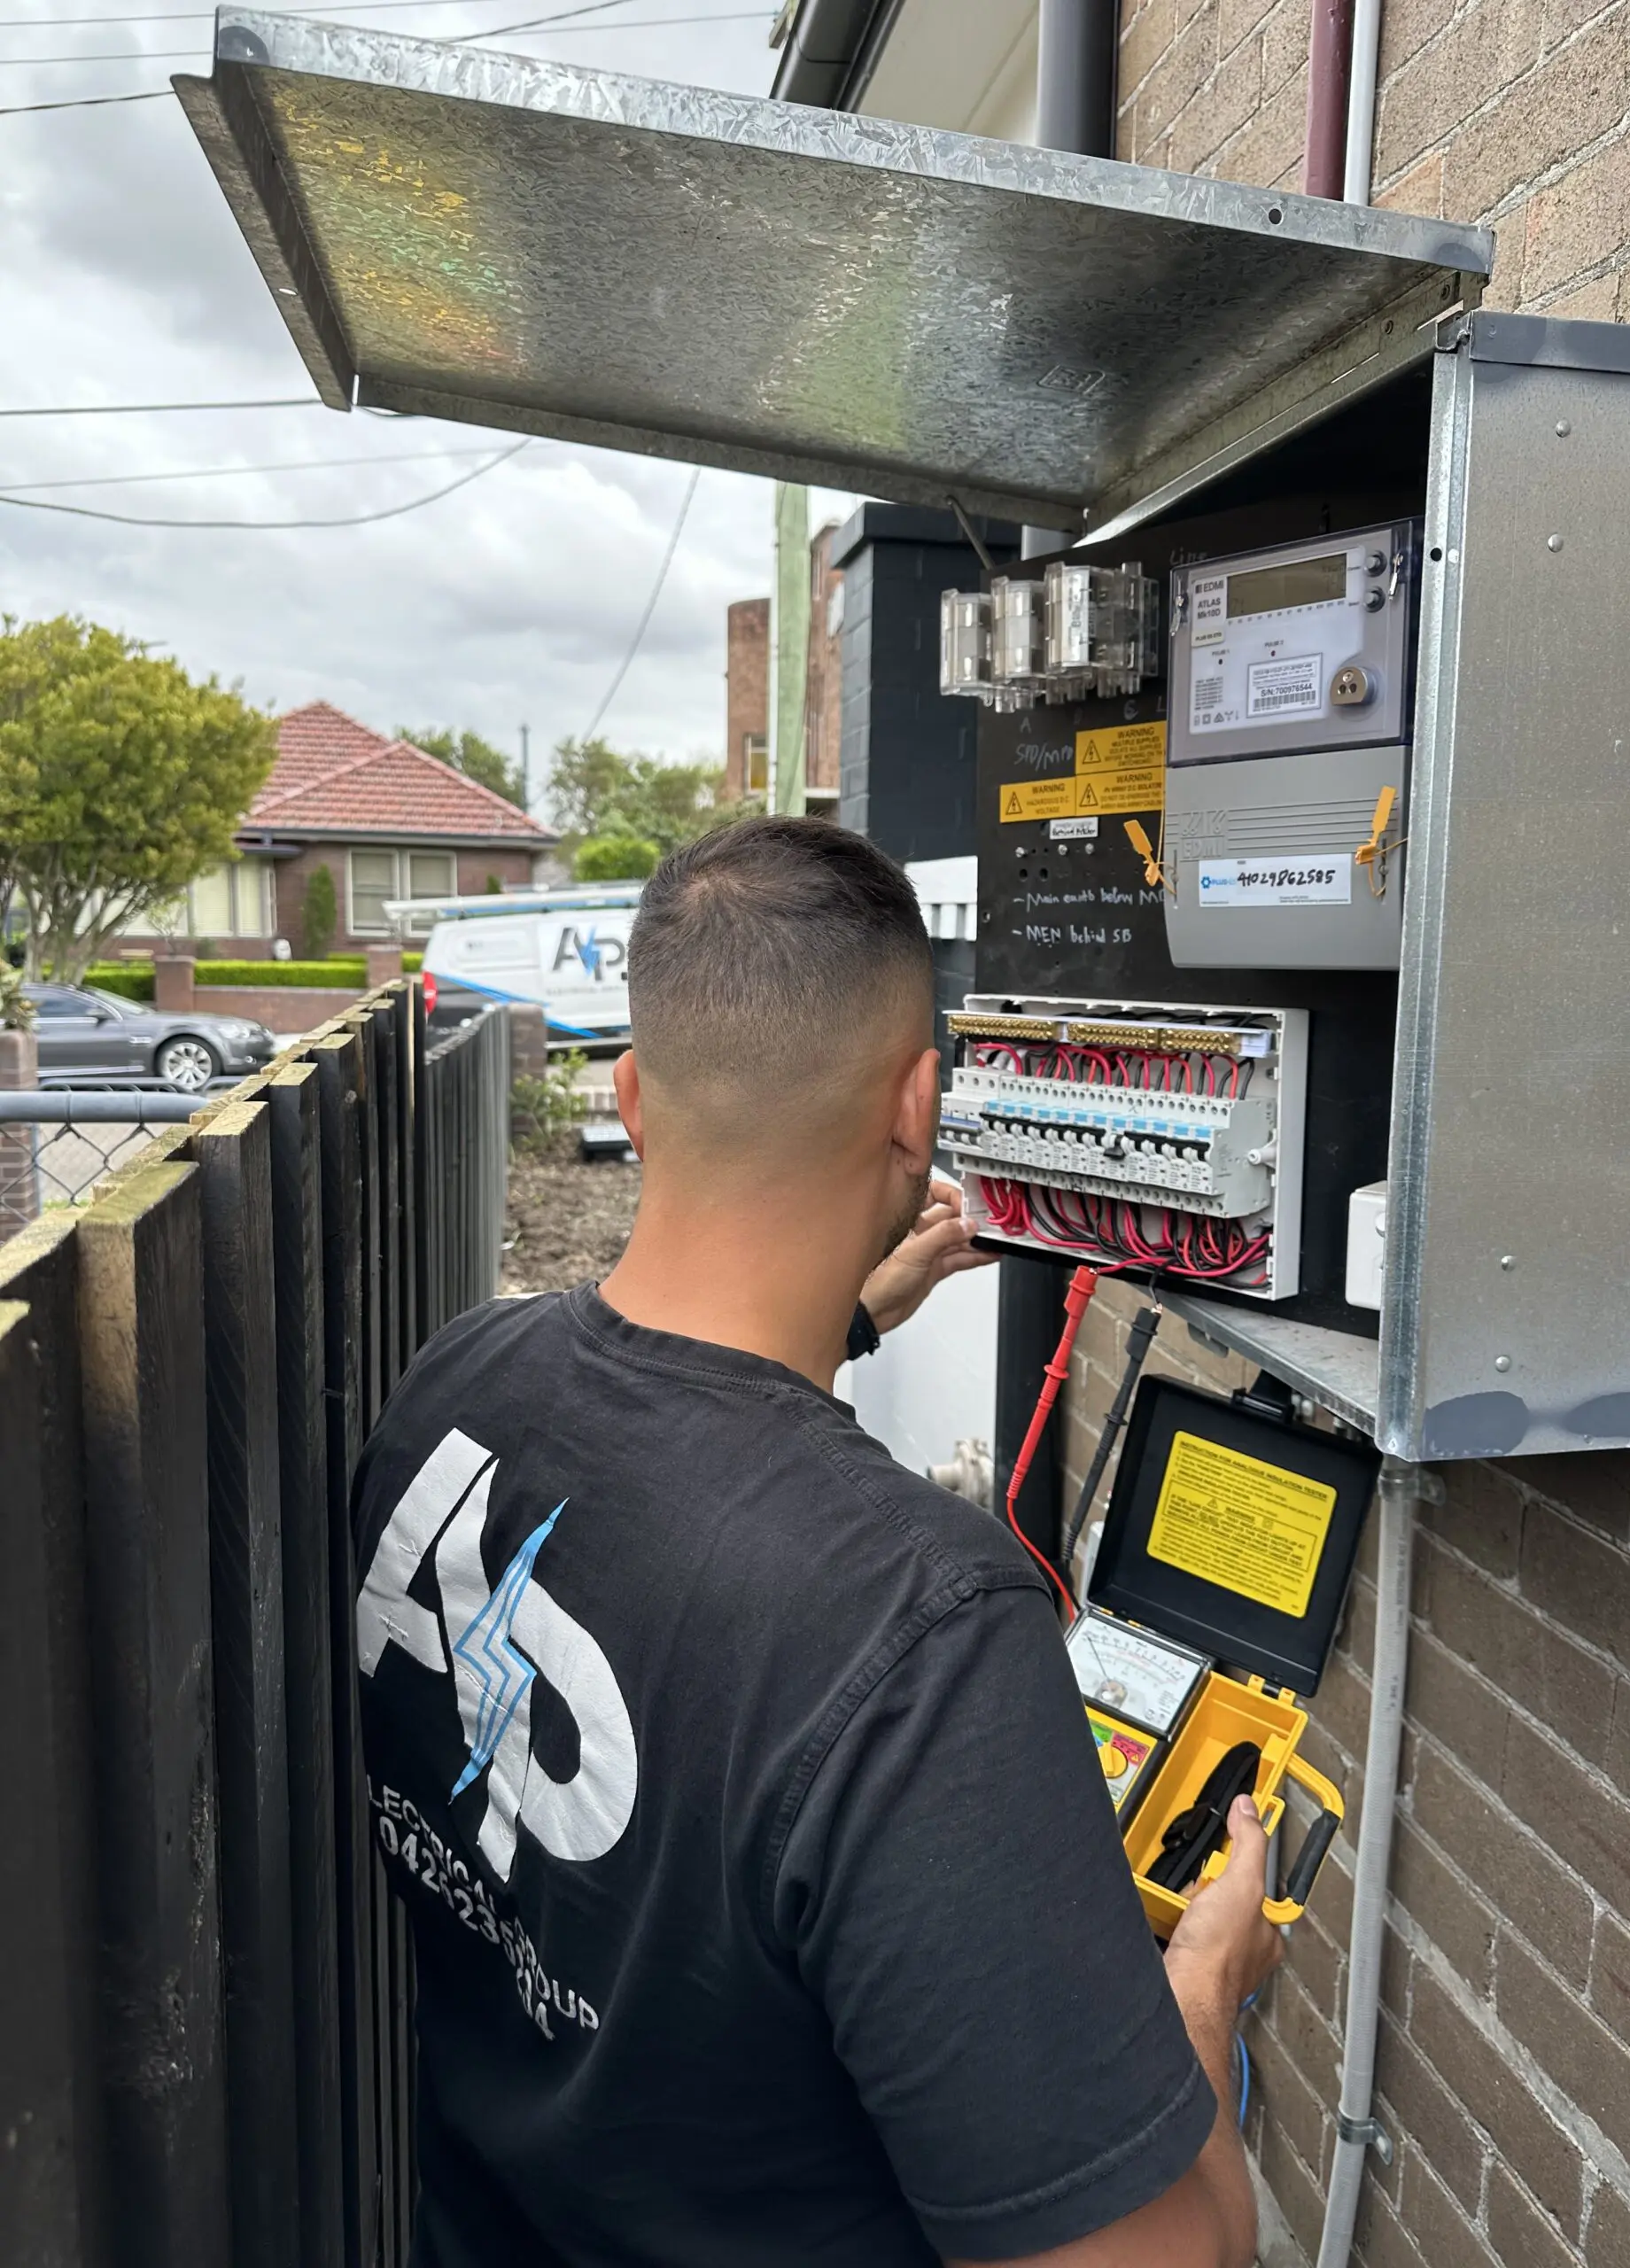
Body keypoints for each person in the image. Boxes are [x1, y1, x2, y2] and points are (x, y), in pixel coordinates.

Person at [352, 815, 1281, 2268]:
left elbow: (665, 1466)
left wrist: (847, 1317)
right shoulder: (924, 1629)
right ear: (918, 1109)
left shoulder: (454, 1386)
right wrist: (1204, 1996)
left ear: (632, 1093)